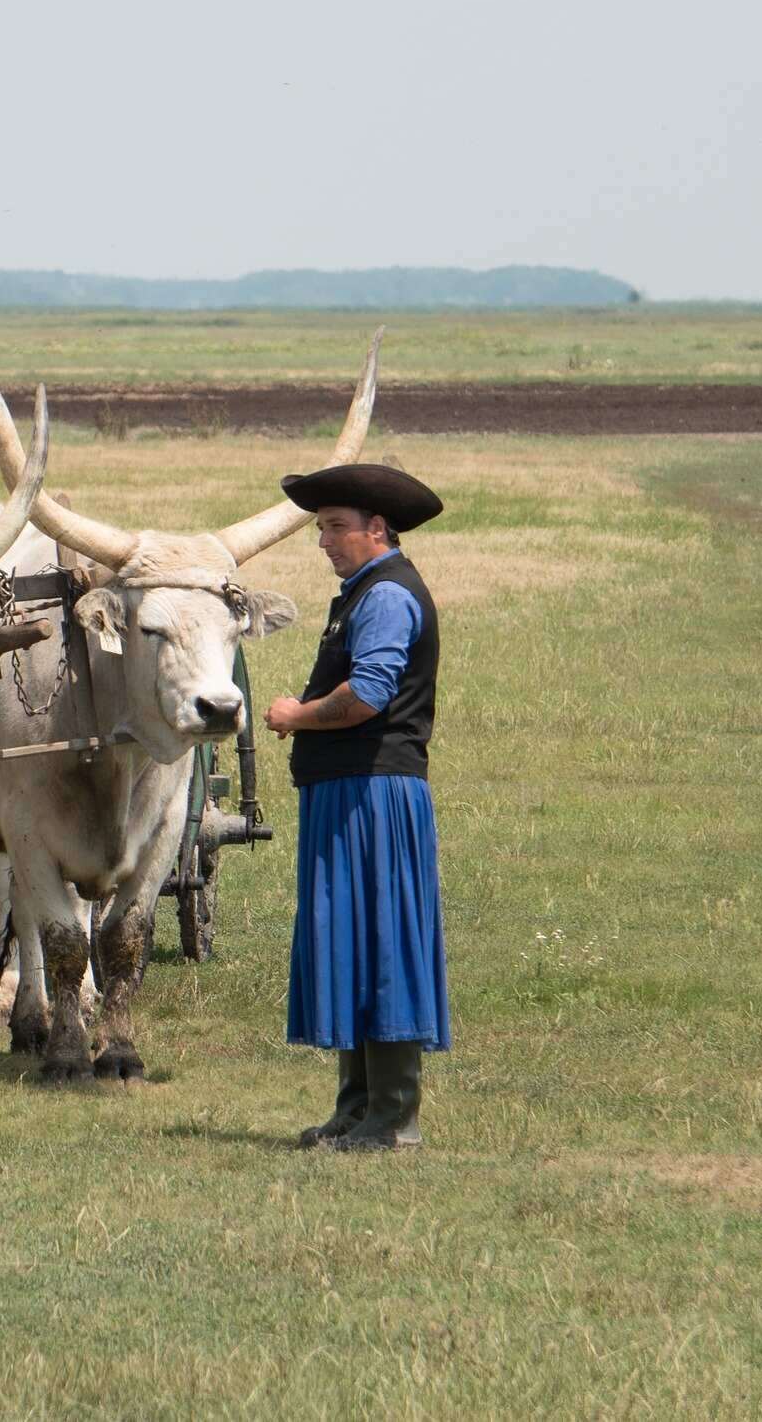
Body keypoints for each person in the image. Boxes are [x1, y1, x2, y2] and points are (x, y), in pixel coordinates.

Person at [262, 464, 447, 1151]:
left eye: (336, 526)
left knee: (383, 942)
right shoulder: (361, 592)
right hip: (350, 791)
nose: (324, 541)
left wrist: (298, 714)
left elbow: (367, 694)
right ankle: (357, 1108)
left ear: (378, 528)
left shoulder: (388, 596)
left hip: (374, 794)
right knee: (355, 939)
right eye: (321, 528)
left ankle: (393, 1119)